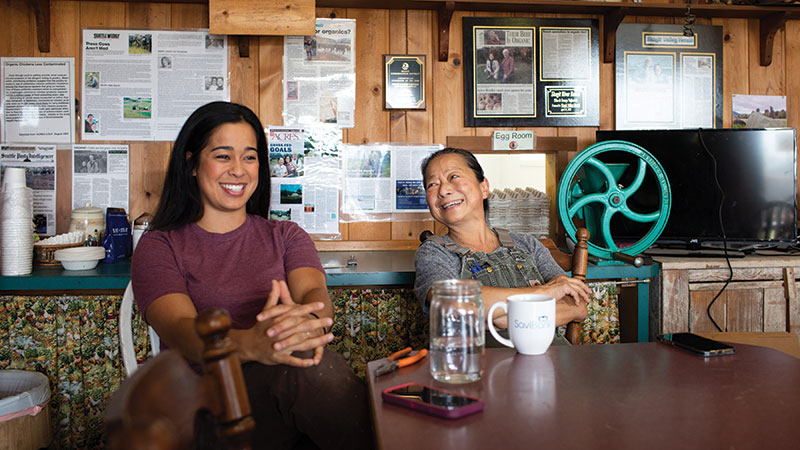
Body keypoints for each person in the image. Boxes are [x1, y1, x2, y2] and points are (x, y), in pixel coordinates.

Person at [131, 101, 373, 450]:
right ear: (192, 163)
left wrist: (300, 321)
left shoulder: (287, 235)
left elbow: (316, 299)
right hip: (203, 406)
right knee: (308, 371)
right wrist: (254, 343)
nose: (239, 170)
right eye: (223, 155)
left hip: (284, 397)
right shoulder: (159, 245)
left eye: (249, 156)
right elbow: (182, 332)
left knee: (310, 369)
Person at [414, 147, 591, 347]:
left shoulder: (527, 244)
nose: (444, 190)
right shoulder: (434, 252)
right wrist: (545, 293)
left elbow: (577, 306)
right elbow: (449, 302)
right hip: (476, 369)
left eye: (454, 176)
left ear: (484, 188)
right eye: (432, 184)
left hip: (551, 363)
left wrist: (504, 318)